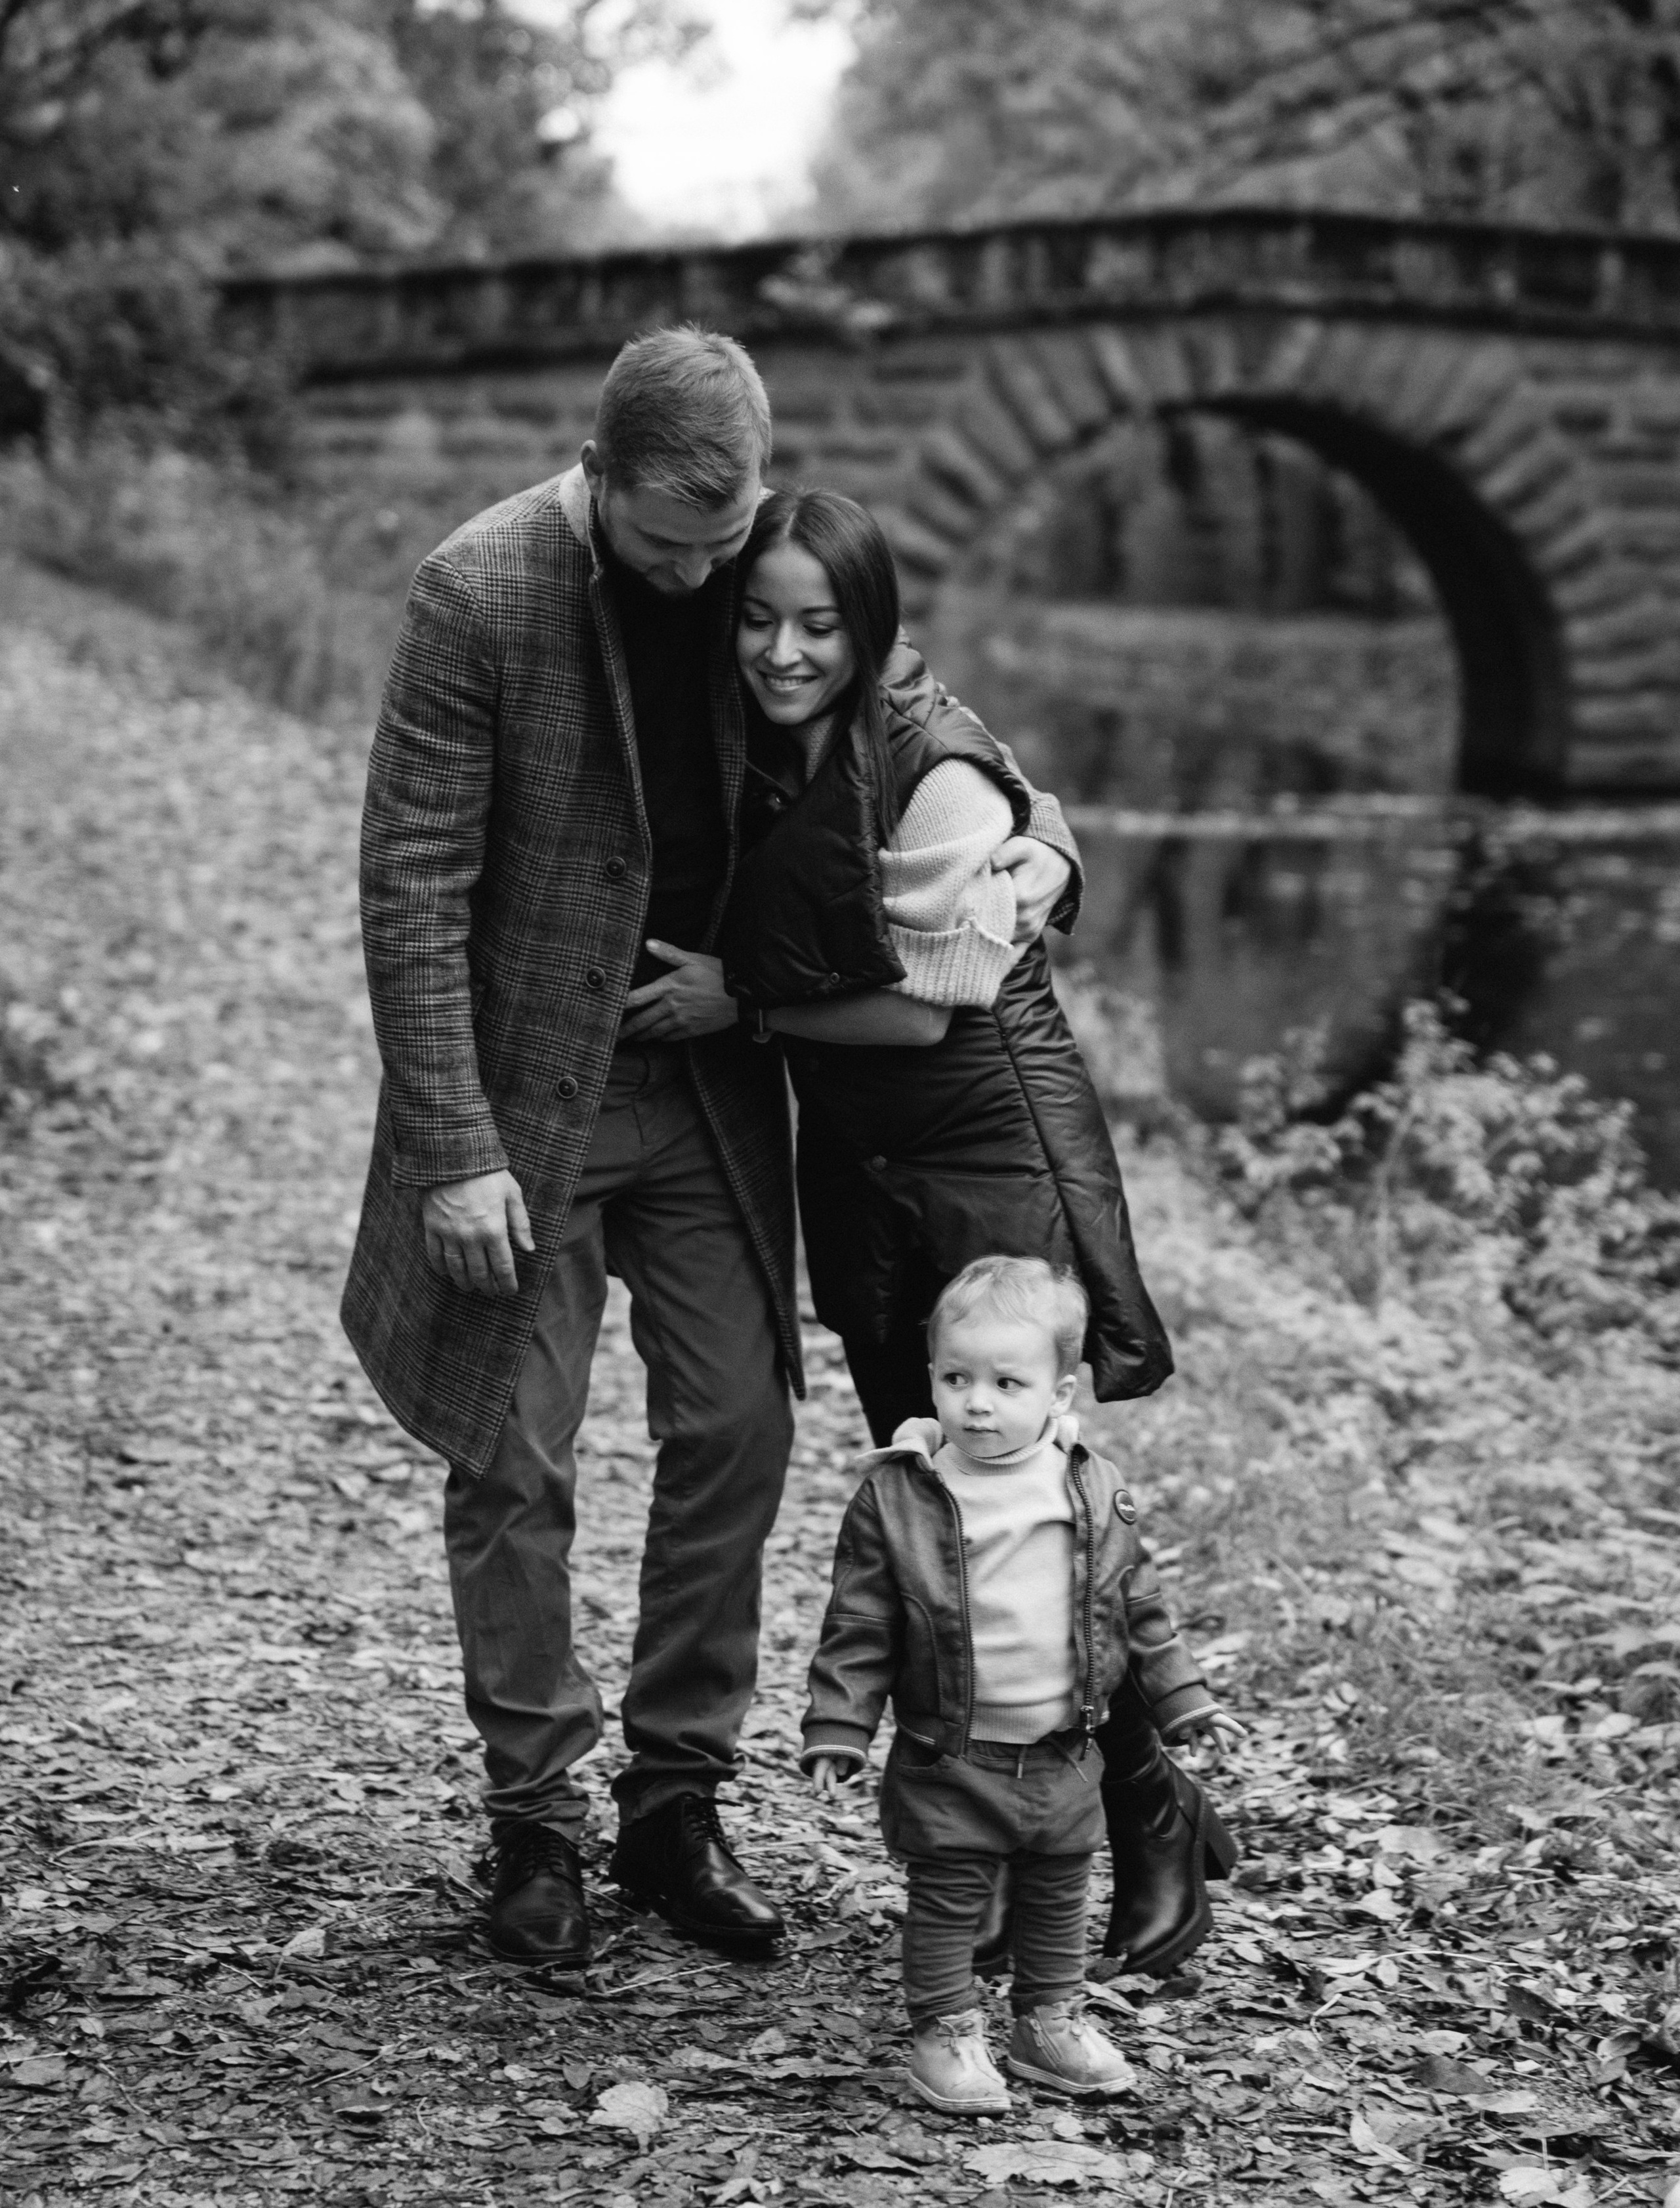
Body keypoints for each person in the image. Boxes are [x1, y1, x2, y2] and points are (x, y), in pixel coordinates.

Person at [340, 331, 1080, 1969]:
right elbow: (409, 881)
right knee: (511, 1457)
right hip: (526, 1104)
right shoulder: (481, 594)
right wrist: (453, 1145)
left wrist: (1038, 845)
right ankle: (533, 1812)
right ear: (594, 478)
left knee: (740, 1428)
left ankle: (675, 1801)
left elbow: (939, 726)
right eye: (667, 543)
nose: (702, 577)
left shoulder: (764, 558)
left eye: (721, 540)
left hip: (710, 1086)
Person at [628, 488, 1239, 1979]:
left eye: (819, 625)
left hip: (978, 1139)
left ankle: (1152, 1815)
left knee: (1031, 1493)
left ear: (873, 627)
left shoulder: (934, 762)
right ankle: (991, 1825)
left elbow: (932, 998)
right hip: (854, 1151)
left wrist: (742, 1003)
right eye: (759, 618)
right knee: (937, 1494)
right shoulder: (742, 722)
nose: (782, 651)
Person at [799, 1256, 1244, 2113]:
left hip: (1064, 1750)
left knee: (1056, 1894)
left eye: (1008, 1382)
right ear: (930, 1377)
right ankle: (945, 2031)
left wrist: (1186, 1700)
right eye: (956, 1378)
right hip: (950, 1752)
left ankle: (1048, 2020)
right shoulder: (902, 1495)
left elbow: (1139, 1606)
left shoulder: (1089, 1487)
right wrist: (839, 1727)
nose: (978, 1402)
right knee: (950, 1901)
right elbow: (859, 1624)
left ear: (1060, 1394)